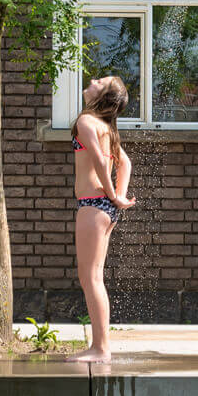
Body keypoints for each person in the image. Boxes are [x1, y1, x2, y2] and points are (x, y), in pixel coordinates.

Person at [69, 76, 134, 362]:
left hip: (94, 205)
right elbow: (125, 162)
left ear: (103, 96)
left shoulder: (86, 122)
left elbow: (98, 160)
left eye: (99, 81)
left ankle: (100, 348)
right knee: (94, 278)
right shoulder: (106, 127)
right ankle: (100, 346)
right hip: (104, 207)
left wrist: (114, 194)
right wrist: (118, 196)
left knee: (91, 278)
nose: (92, 80)